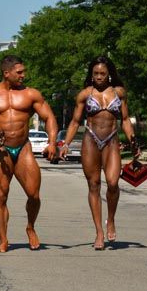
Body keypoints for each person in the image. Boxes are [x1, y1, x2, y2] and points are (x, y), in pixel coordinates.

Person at [0, 55, 58, 253]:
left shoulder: (31, 94)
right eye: (19, 72)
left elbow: (49, 117)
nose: (24, 75)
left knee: (34, 195)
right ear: (6, 73)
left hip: (23, 148)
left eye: (24, 71)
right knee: (1, 196)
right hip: (0, 149)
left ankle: (30, 227)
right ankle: (3, 239)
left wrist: (52, 143)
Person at [61, 56, 140, 250]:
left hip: (111, 140)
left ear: (109, 74)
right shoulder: (84, 94)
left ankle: (110, 219)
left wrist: (132, 140)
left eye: (102, 73)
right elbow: (75, 122)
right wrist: (65, 144)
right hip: (90, 140)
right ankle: (99, 232)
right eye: (95, 73)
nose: (98, 77)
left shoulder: (119, 93)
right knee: (94, 185)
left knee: (113, 183)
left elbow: (125, 120)